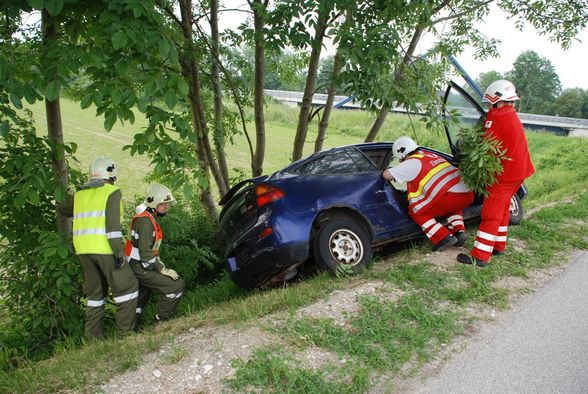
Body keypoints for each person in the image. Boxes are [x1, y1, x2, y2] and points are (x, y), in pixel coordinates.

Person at [457, 79, 535, 267]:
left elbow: (487, 145)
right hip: (519, 172)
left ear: (497, 100)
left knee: (491, 213)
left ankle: (480, 256)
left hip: (504, 175)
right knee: (502, 209)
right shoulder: (511, 114)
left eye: (490, 103)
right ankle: (498, 245)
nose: (489, 107)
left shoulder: (497, 116)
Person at [59, 157, 138, 339]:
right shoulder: (112, 192)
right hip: (105, 249)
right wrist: (119, 253)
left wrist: (70, 194)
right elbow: (112, 228)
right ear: (110, 173)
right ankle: (125, 336)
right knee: (127, 288)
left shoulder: (80, 195)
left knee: (95, 295)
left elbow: (63, 209)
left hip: (84, 251)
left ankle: (93, 339)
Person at [383, 136, 474, 252]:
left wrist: (392, 168)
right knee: (452, 207)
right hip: (466, 193)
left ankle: (443, 237)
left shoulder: (411, 163)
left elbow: (386, 175)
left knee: (416, 212)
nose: (400, 161)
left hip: (449, 196)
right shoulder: (429, 154)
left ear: (402, 153)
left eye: (399, 158)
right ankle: (459, 232)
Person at [125, 183, 185, 328]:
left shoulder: (146, 217)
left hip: (134, 264)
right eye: (163, 204)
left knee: (141, 295)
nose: (167, 207)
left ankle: (131, 329)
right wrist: (162, 269)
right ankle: (163, 321)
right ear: (154, 203)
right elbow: (146, 254)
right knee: (175, 286)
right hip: (139, 266)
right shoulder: (146, 222)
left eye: (167, 204)